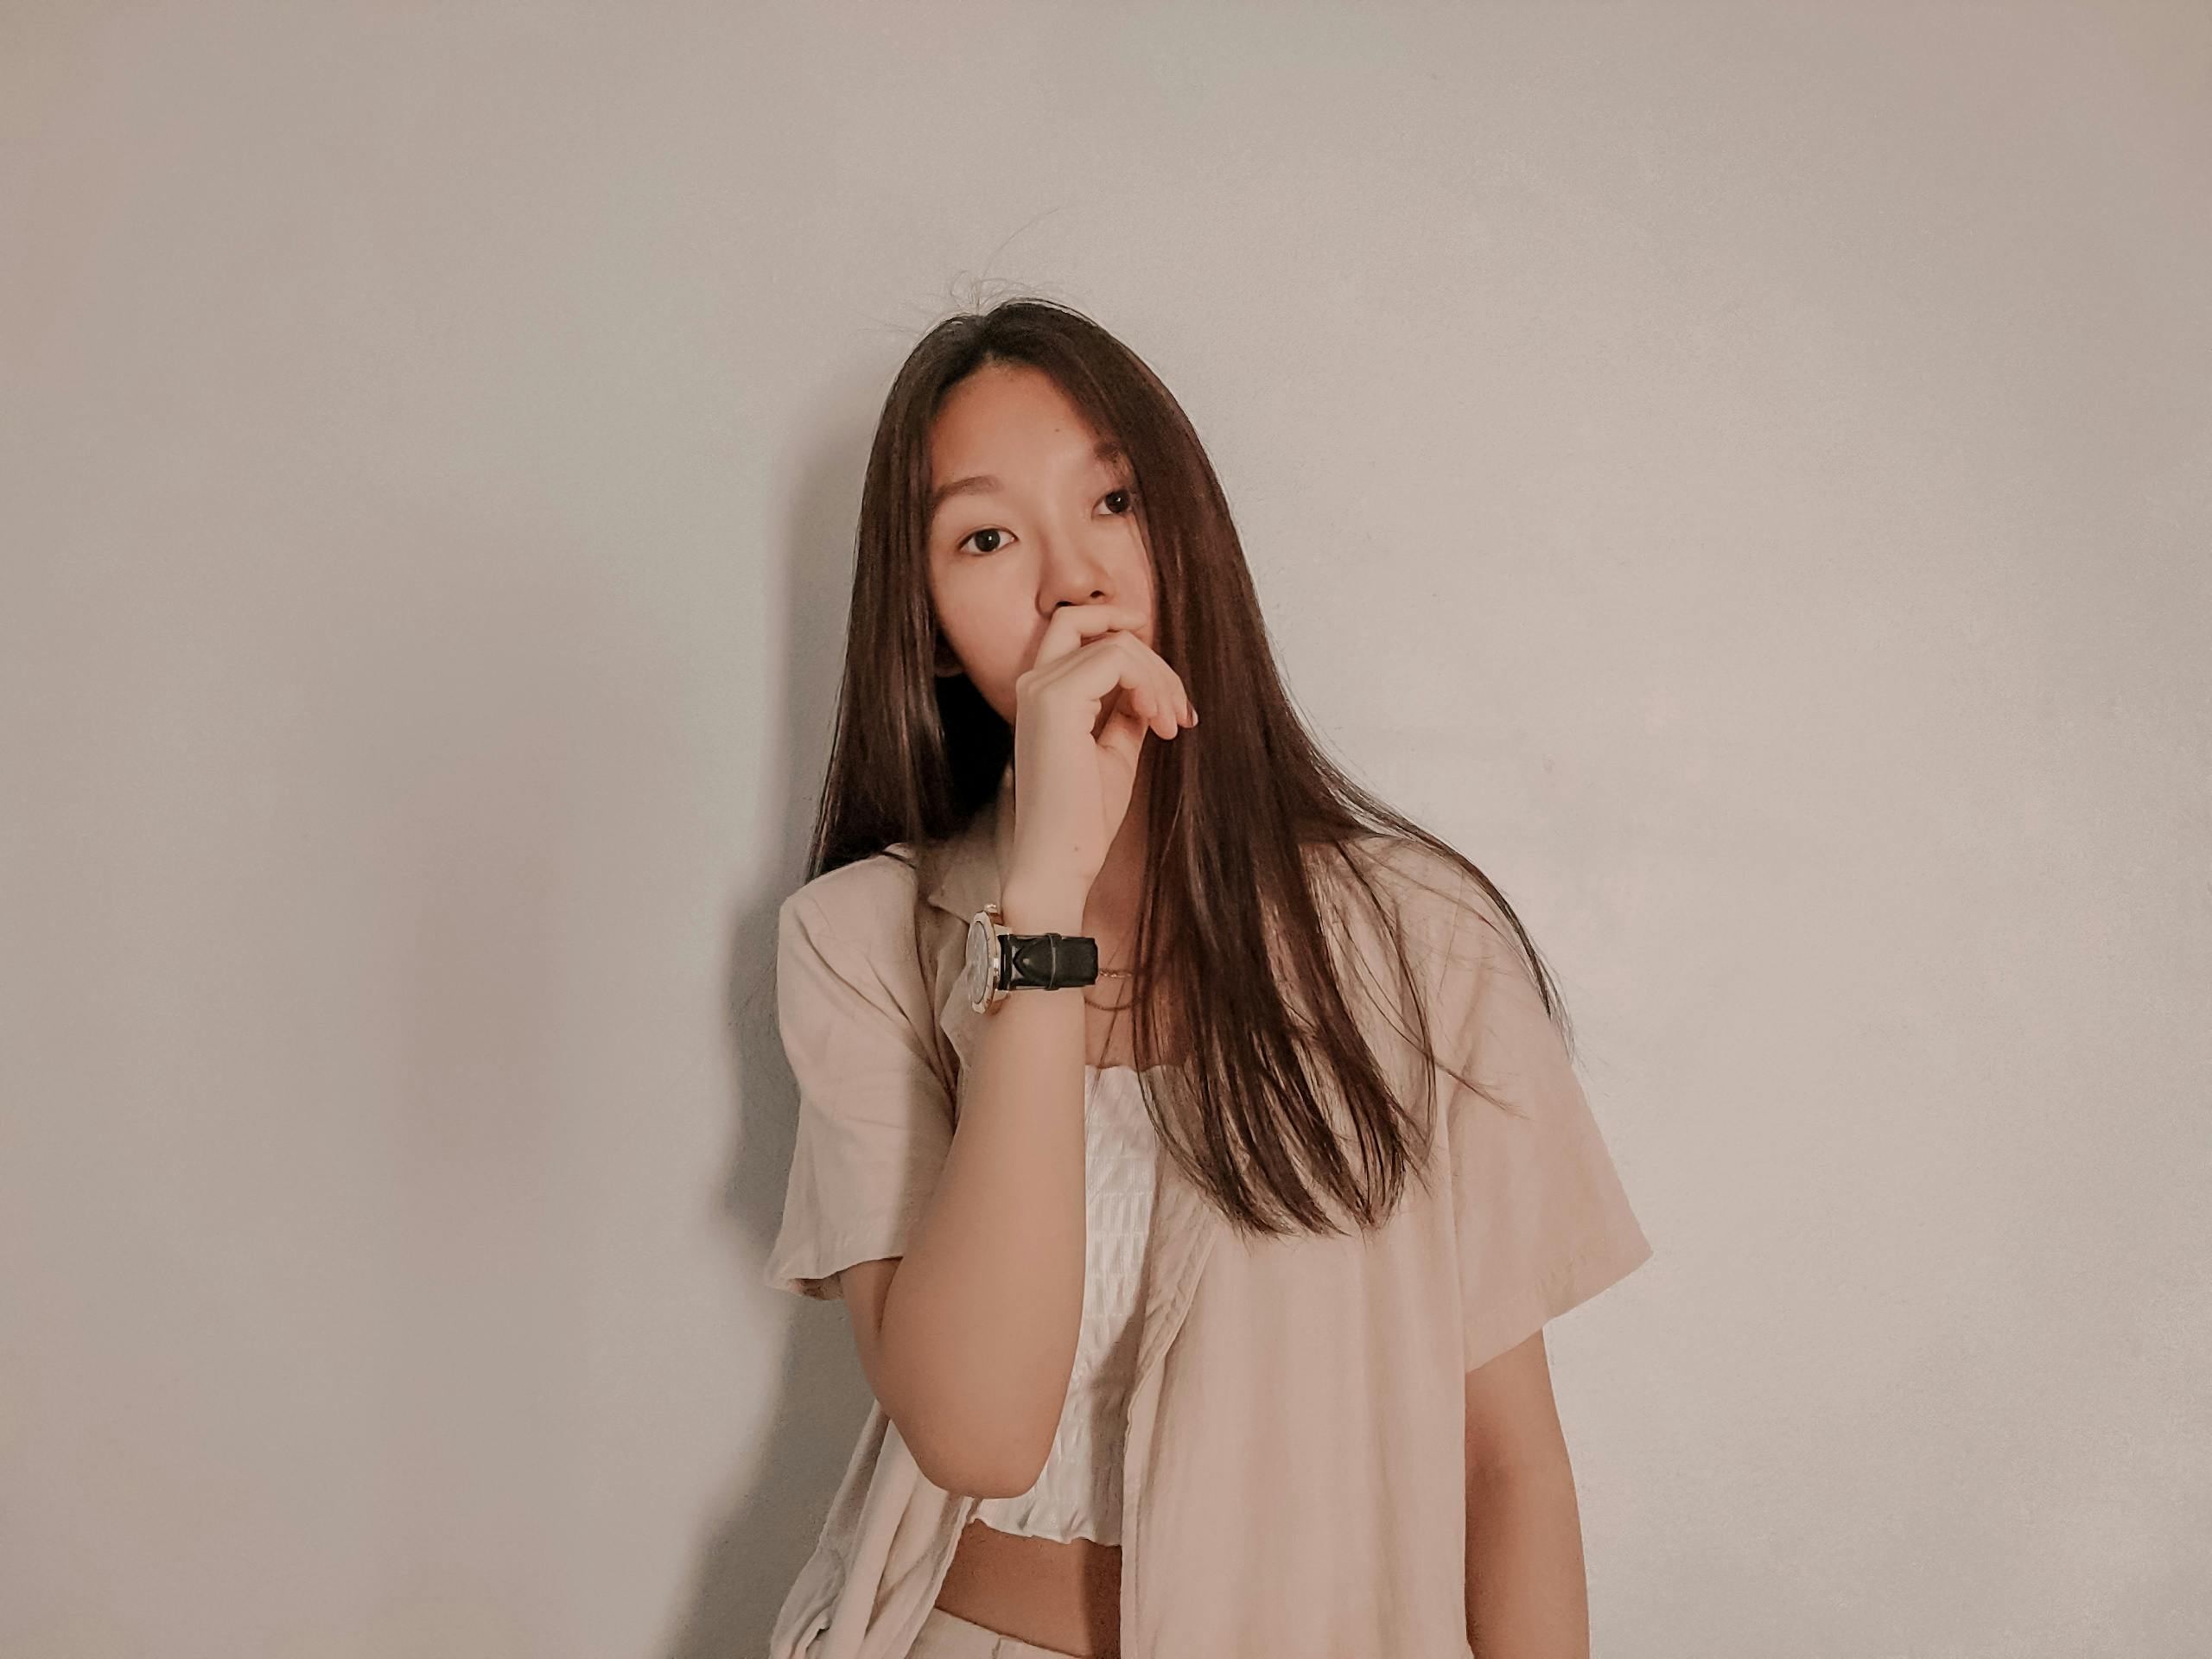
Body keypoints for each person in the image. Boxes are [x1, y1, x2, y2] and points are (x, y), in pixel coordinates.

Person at [760, 296, 1654, 1659]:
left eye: (1112, 499)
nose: (1073, 580)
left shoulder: (1420, 939)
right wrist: (1042, 900)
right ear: (932, 624)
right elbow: (982, 1431)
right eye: (986, 537)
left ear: (1188, 533)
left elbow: (1507, 1469)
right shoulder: (861, 940)